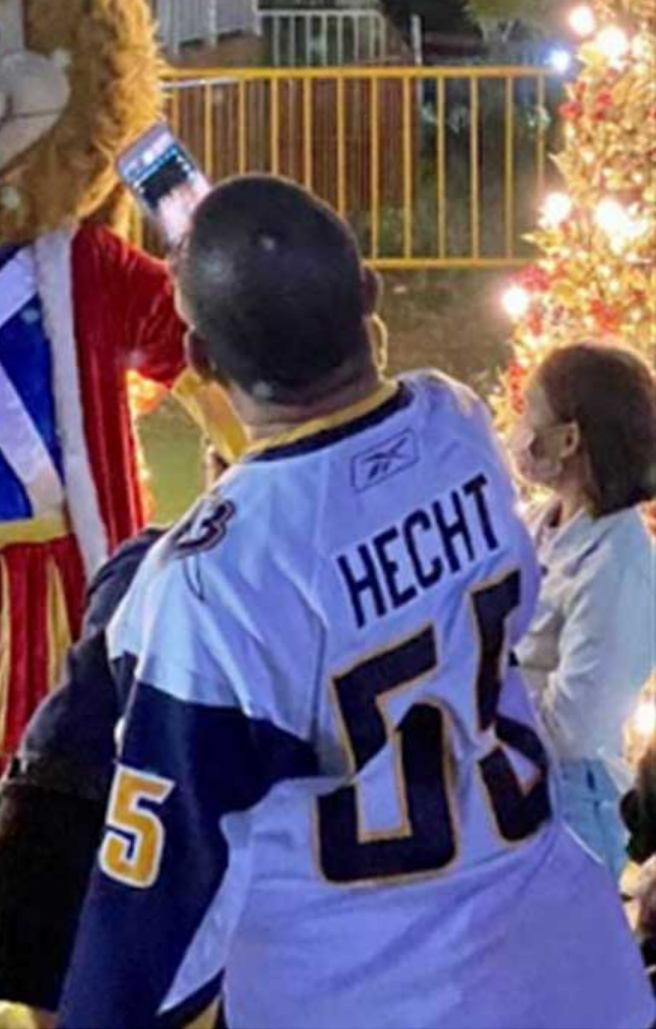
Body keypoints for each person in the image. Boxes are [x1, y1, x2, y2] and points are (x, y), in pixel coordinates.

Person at [59, 176, 654, 1029]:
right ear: (368, 294)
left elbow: (155, 903)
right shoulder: (455, 426)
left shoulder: (205, 582)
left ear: (198, 359)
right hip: (564, 959)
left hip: (362, 990)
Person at [0, 525, 161, 1024]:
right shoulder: (233, 571)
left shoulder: (139, 555)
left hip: (43, 786)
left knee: (58, 1001)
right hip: (108, 796)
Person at [510, 338, 656, 879]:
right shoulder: (540, 524)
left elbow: (576, 723)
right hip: (517, 777)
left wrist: (483, 719)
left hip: (570, 801)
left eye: (529, 412)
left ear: (568, 439)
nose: (518, 430)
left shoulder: (619, 563)